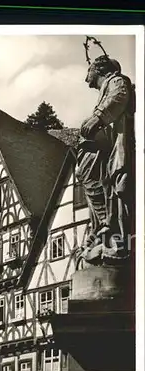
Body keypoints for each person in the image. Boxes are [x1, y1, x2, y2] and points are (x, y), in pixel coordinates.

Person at [76, 55, 135, 265]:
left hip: (116, 148)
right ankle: (105, 225)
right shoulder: (105, 88)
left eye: (88, 71)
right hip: (105, 150)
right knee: (99, 182)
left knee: (118, 191)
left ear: (99, 69)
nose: (86, 78)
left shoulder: (117, 81)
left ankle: (115, 237)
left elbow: (120, 96)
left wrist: (97, 117)